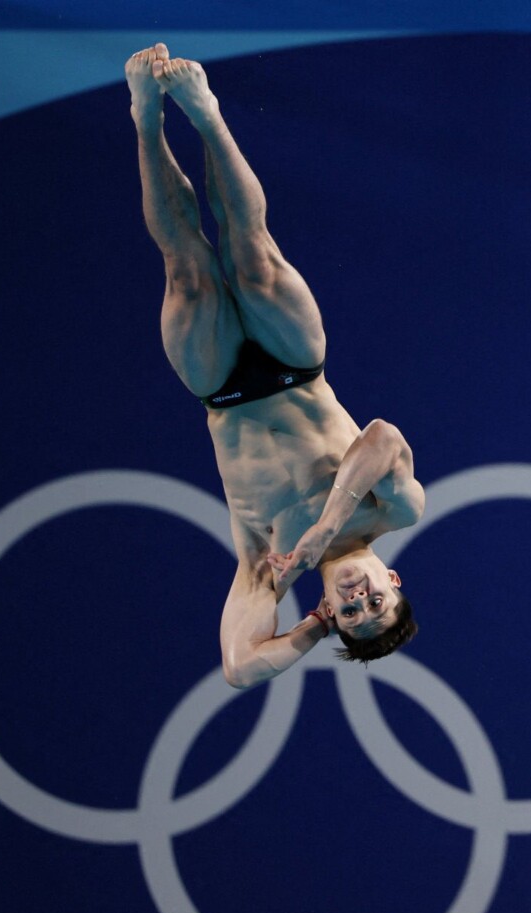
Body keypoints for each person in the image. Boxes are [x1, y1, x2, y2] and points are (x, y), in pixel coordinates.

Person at [126, 43, 423, 687]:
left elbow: (238, 669)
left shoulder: (267, 570)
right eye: (377, 599)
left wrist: (312, 624)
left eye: (353, 615)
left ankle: (145, 118)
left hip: (222, 389)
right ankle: (207, 116)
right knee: (251, 256)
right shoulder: (395, 513)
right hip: (296, 367)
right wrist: (326, 526)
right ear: (391, 576)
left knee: (189, 269)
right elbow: (383, 437)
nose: (360, 600)